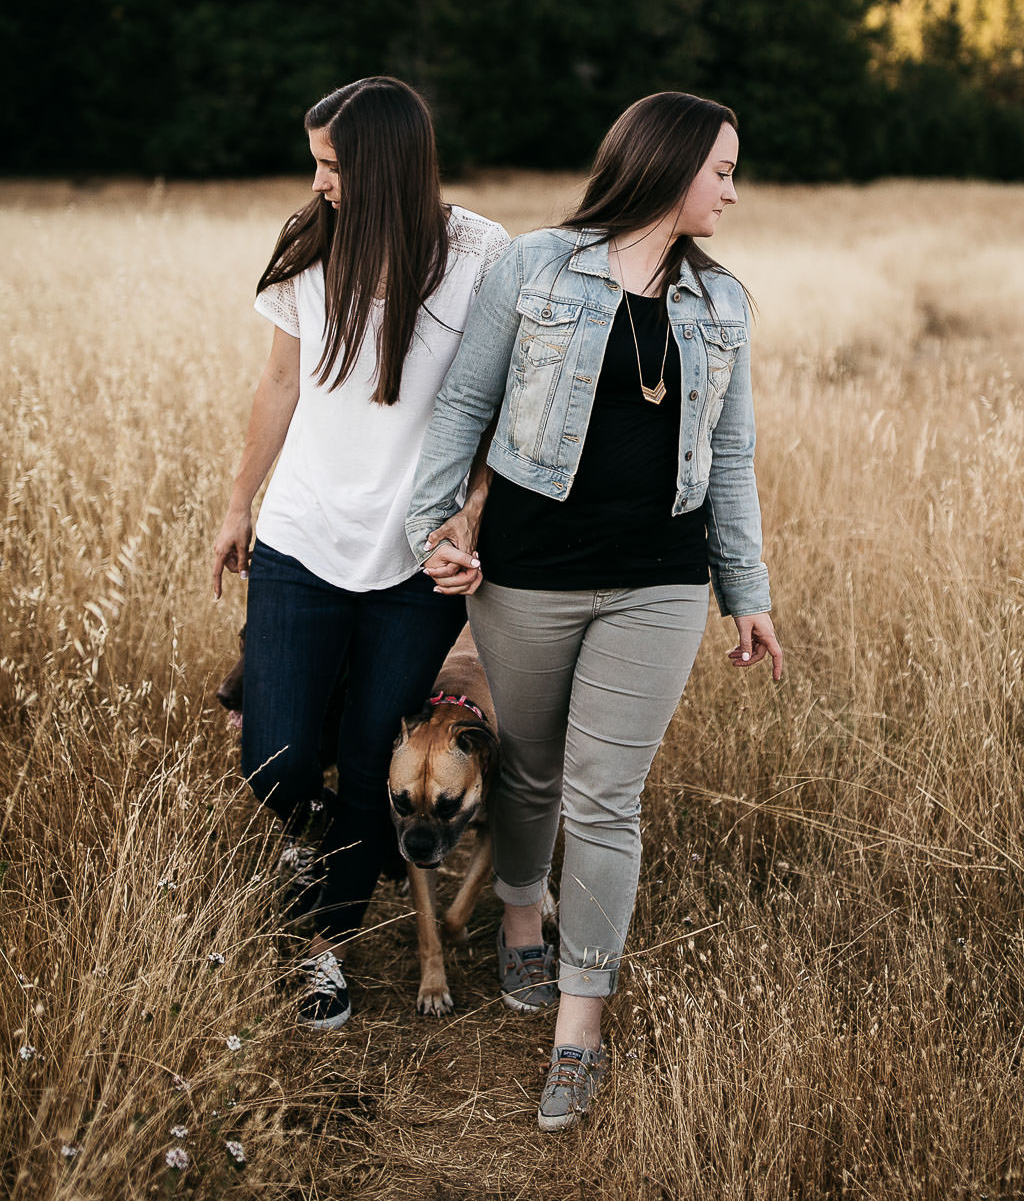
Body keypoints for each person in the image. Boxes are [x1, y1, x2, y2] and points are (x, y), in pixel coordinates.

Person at [406, 91, 783, 1130]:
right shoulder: (532, 268)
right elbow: (464, 407)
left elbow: (735, 458)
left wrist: (743, 593)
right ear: (666, 170)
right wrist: (431, 534)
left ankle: (580, 1024)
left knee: (609, 796)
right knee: (530, 768)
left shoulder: (724, 304)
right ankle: (519, 910)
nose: (732, 191)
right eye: (721, 171)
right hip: (530, 575)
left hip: (659, 578)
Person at [211, 76, 508, 1029]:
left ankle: (322, 946)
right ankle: (317, 845)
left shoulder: (476, 254)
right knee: (277, 764)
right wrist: (237, 501)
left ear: (382, 165)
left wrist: (467, 522)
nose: (318, 180)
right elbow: (279, 385)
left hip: (415, 571)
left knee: (375, 770)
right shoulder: (311, 247)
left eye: (333, 164)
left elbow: (498, 409)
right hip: (302, 538)